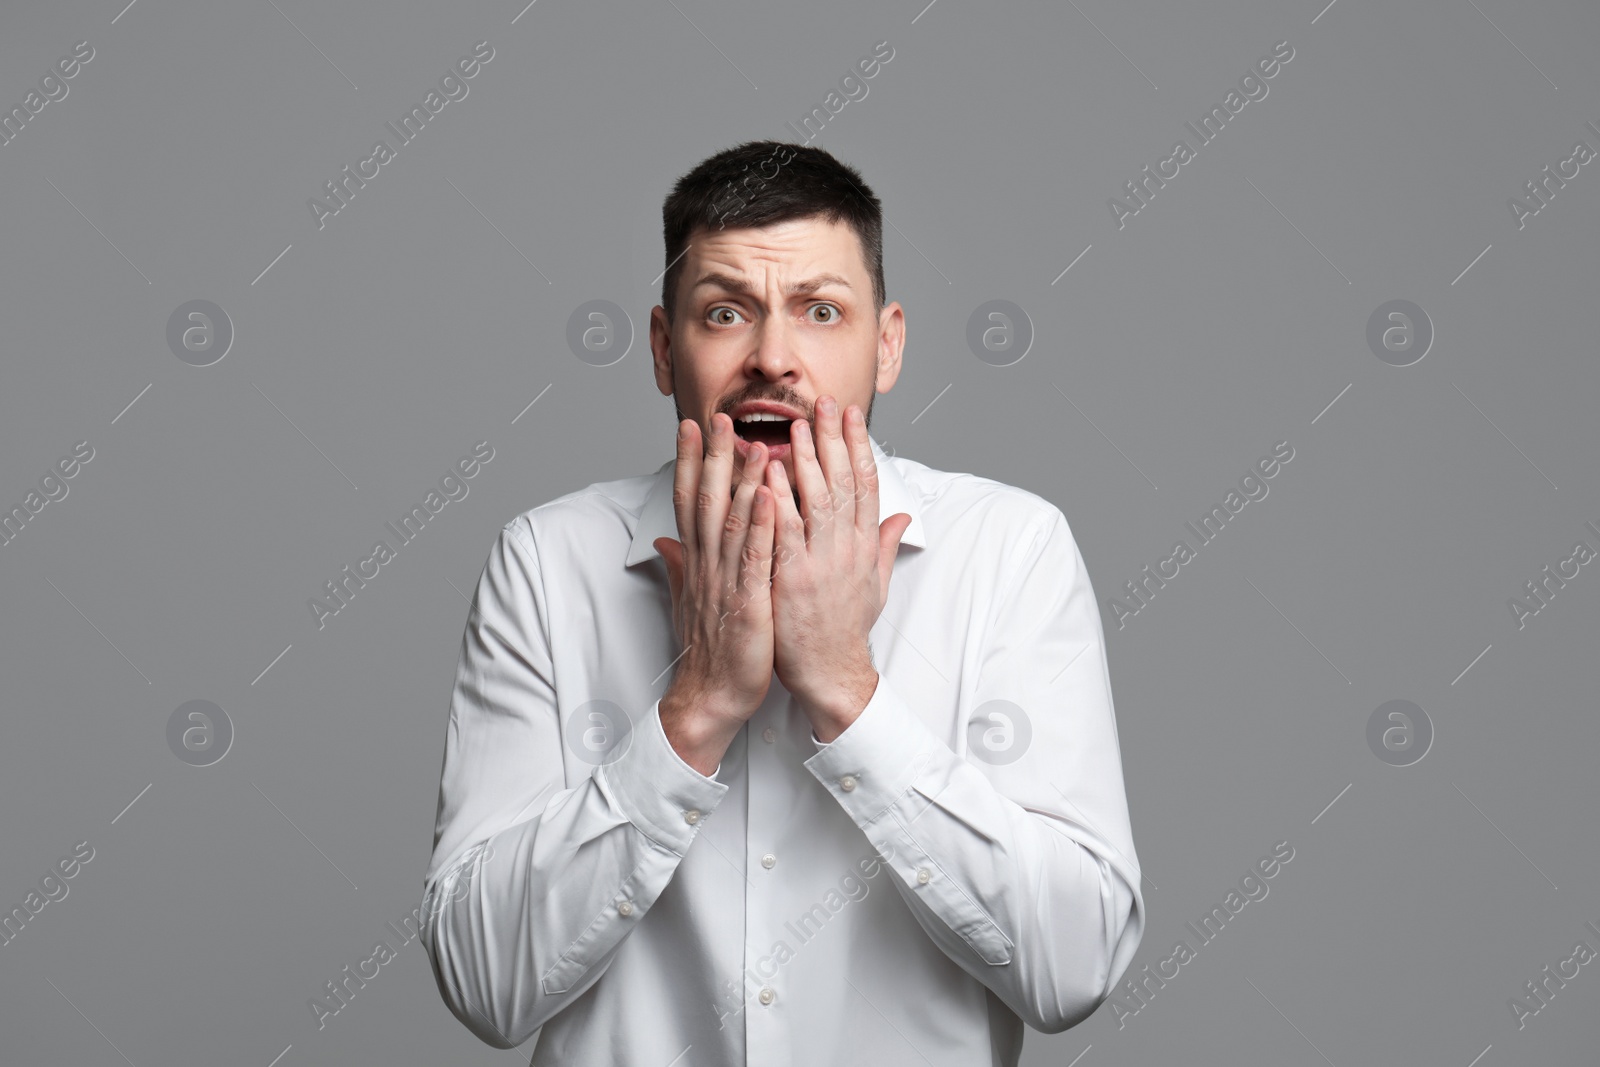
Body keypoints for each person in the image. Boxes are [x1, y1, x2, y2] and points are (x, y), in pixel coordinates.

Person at [420, 140, 1145, 1066]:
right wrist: (696, 710)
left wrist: (850, 691)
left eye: (821, 312)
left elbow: (1073, 968)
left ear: (885, 347)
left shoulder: (1011, 551)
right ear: (660, 349)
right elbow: (485, 984)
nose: (773, 358)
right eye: (726, 312)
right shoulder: (548, 563)